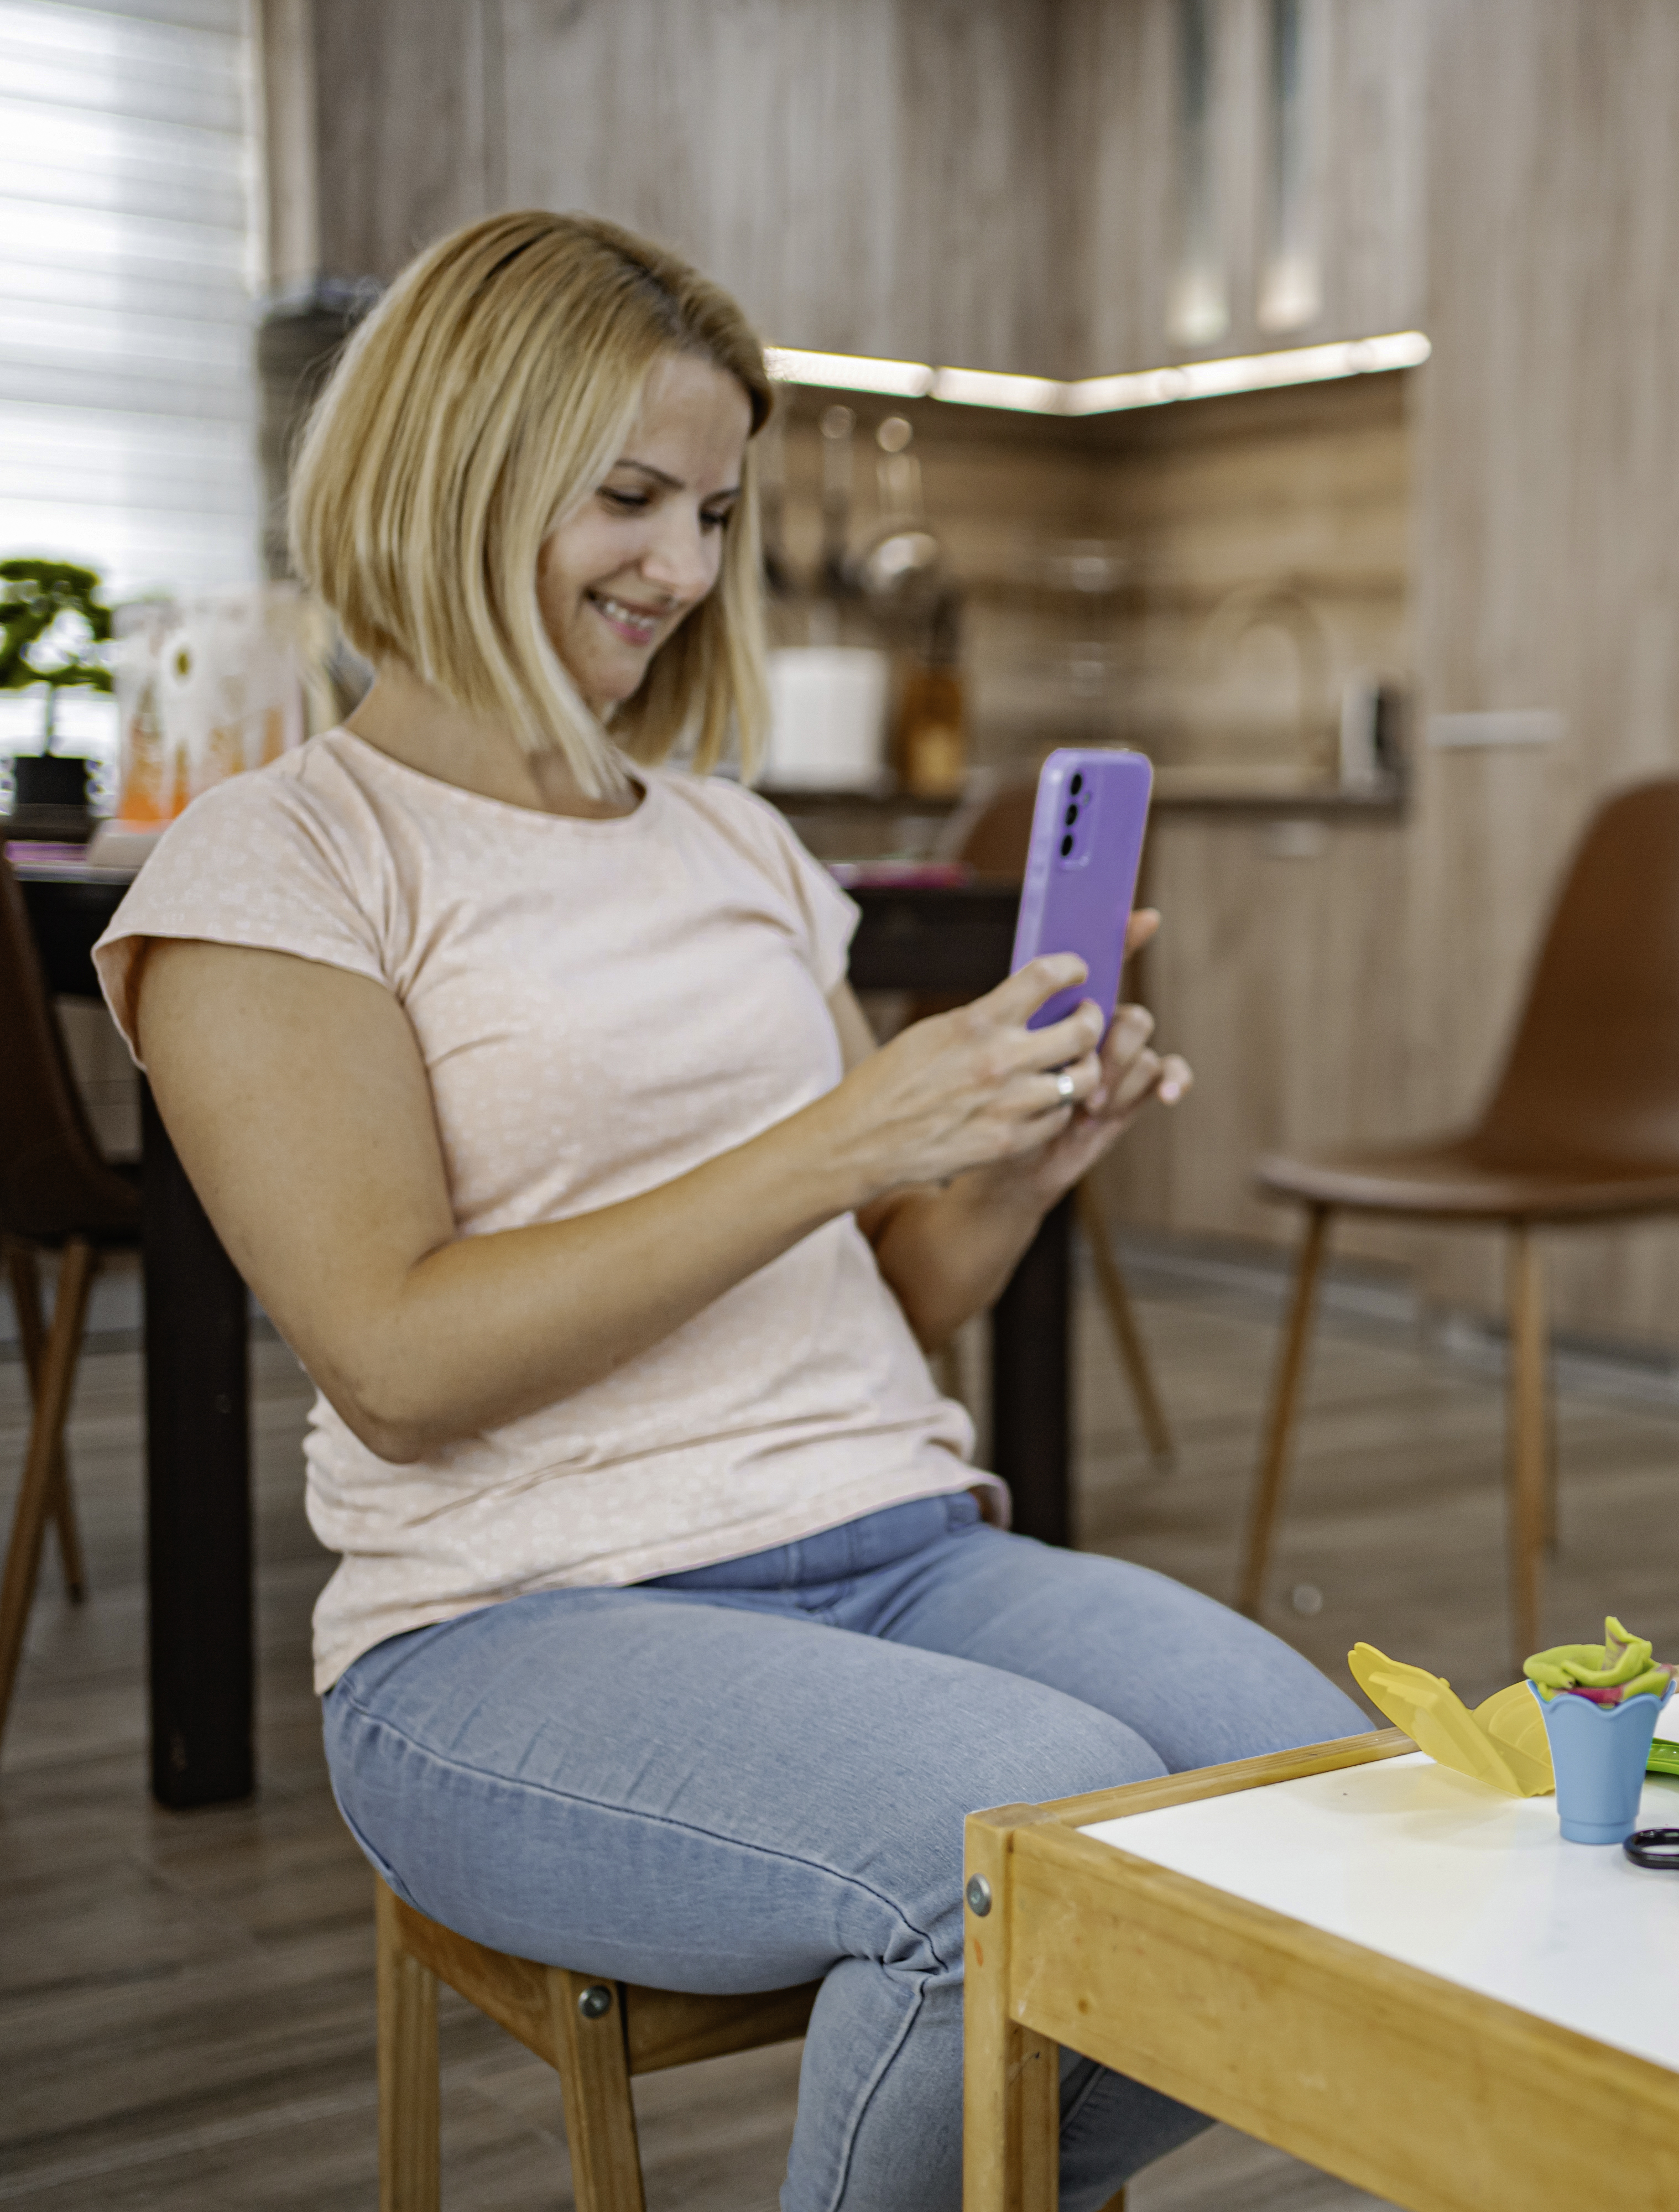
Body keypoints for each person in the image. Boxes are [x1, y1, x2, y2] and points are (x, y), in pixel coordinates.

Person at [95, 211, 1364, 2210]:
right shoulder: (283, 862)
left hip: (891, 1545)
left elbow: (883, 1296)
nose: (682, 570)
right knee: (1025, 1860)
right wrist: (843, 1138)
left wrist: (1012, 1168)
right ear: (456, 463)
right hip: (511, 1633)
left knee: (1344, 1831)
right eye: (627, 498)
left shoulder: (742, 845)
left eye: (711, 508)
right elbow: (401, 1361)